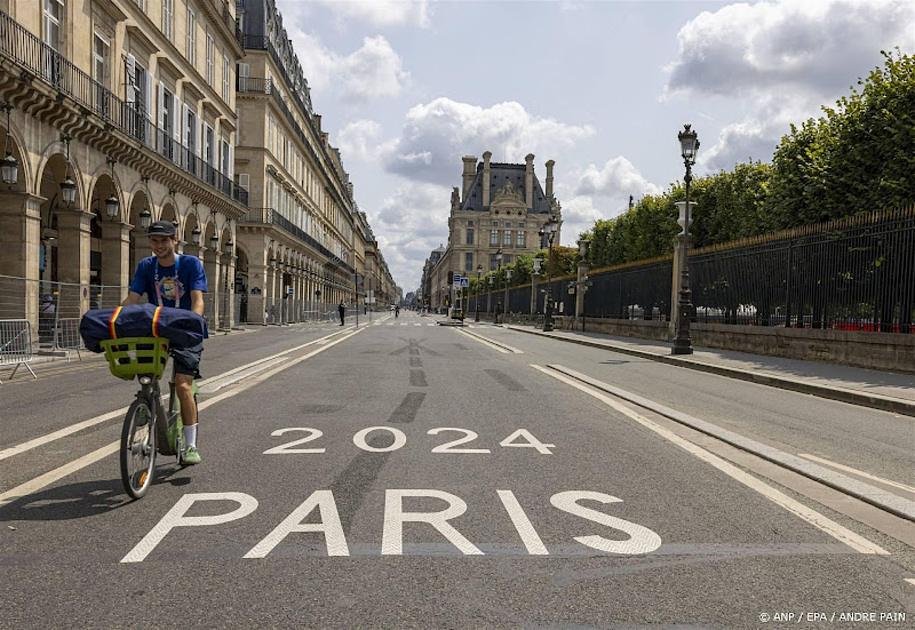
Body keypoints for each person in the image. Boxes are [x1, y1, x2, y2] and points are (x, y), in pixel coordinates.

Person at [124, 220, 207, 465]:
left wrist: (193, 320)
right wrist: (115, 318)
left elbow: (197, 299)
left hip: (186, 330)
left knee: (182, 385)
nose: (158, 245)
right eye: (154, 240)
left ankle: (190, 445)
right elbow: (133, 298)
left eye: (164, 240)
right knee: (145, 375)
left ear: (174, 240)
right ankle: (147, 408)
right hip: (158, 329)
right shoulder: (146, 266)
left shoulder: (191, 264)